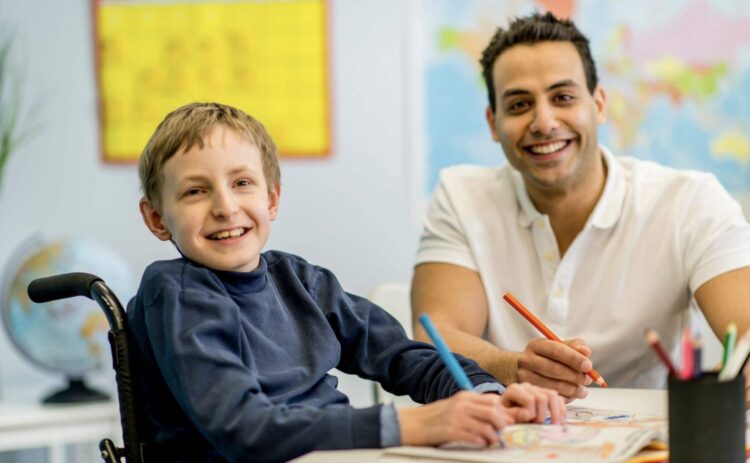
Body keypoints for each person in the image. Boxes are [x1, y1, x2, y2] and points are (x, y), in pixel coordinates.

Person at [127, 102, 565, 462]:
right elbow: (245, 430)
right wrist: (413, 424)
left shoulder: (299, 280)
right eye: (195, 191)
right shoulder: (175, 293)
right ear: (156, 218)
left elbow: (401, 355)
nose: (225, 207)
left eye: (242, 183)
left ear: (271, 198)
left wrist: (487, 393)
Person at [412, 12, 750, 403]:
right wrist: (511, 367)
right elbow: (435, 333)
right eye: (520, 104)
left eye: (563, 97)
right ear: (493, 122)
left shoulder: (691, 201)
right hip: (509, 436)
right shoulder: (459, 196)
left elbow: (744, 329)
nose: (544, 122)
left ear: (599, 104)